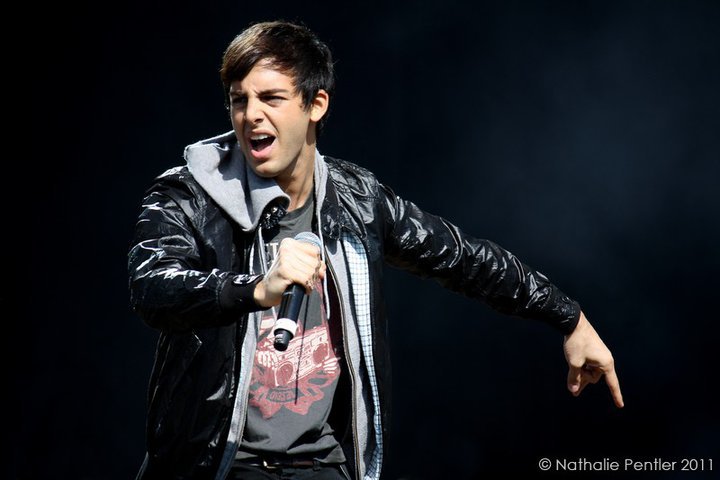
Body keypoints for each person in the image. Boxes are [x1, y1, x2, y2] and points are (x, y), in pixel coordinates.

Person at [128, 20, 624, 480]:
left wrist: (569, 317)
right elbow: (152, 287)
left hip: (323, 463)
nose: (251, 114)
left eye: (271, 98)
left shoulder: (358, 200)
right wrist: (257, 288)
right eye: (239, 100)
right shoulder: (188, 194)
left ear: (316, 104)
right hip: (217, 464)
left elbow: (464, 259)